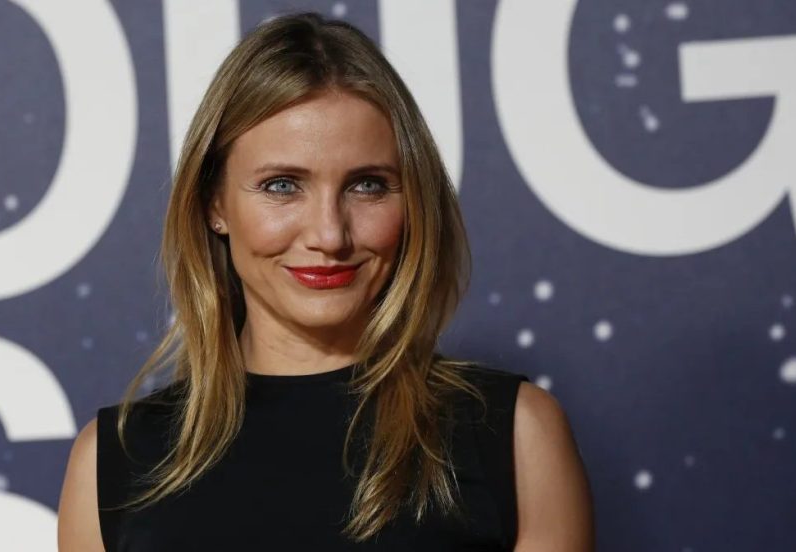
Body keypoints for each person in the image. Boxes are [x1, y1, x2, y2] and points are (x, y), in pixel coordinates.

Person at [58, 11, 594, 551]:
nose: (329, 234)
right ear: (214, 204)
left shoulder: (515, 436)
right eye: (282, 185)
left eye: (367, 185)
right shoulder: (113, 464)